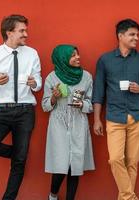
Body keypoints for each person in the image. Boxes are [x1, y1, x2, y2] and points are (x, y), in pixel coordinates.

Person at [92, 19, 139, 200]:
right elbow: (98, 91)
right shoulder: (105, 60)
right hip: (114, 117)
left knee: (133, 162)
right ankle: (130, 197)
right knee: (115, 159)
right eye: (132, 34)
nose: (136, 38)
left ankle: (125, 198)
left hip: (138, 116)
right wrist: (97, 119)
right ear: (120, 36)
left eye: (137, 34)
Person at [0, 14, 42, 200]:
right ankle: (17, 153)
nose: (26, 34)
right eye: (22, 30)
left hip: (25, 110)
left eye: (25, 30)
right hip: (2, 109)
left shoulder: (32, 53)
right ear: (9, 32)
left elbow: (38, 82)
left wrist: (34, 83)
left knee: (19, 163)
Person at [42, 44, 95, 200]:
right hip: (59, 123)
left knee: (75, 165)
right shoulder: (52, 77)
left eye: (77, 54)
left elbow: (90, 104)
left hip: (78, 122)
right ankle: (53, 196)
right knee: (60, 164)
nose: (77, 57)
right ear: (63, 58)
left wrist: (82, 104)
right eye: (73, 55)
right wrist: (54, 97)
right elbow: (45, 106)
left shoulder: (86, 77)